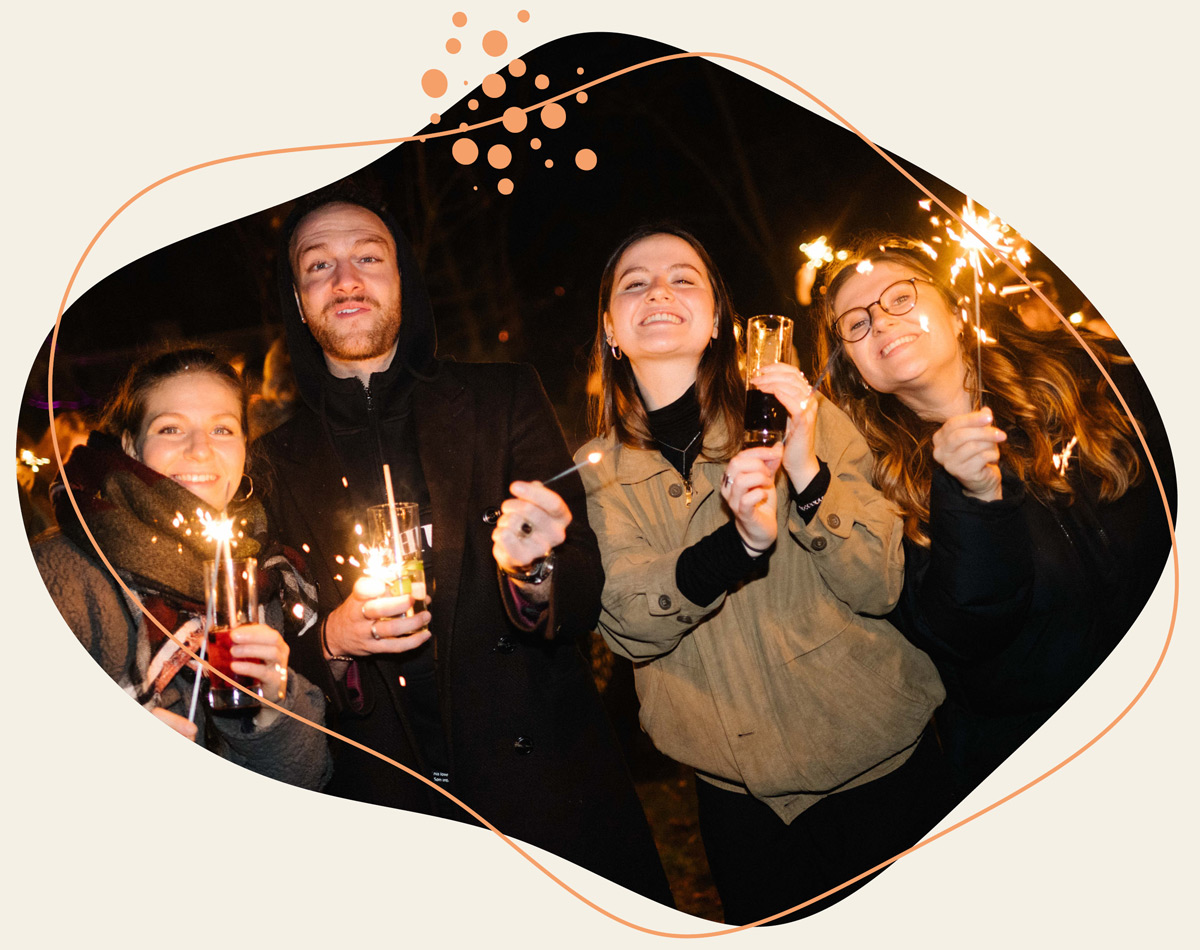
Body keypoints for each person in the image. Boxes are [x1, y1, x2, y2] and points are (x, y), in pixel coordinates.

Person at [256, 184, 672, 905]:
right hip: (388, 811)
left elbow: (580, 596)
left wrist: (534, 568)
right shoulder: (270, 460)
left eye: (367, 257)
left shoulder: (502, 399)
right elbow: (271, 638)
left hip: (545, 796)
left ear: (403, 280)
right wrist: (330, 638)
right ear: (298, 299)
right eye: (318, 266)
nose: (346, 279)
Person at [576, 225, 949, 924]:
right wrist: (735, 548)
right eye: (635, 282)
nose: (659, 289)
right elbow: (627, 625)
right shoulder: (597, 472)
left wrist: (809, 477)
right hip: (741, 812)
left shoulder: (801, 415)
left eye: (684, 278)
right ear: (611, 330)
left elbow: (881, 581)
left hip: (889, 775)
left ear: (719, 319)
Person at [817, 239, 1176, 794]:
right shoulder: (869, 488)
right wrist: (972, 499)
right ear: (858, 370)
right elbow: (958, 633)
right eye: (856, 323)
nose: (882, 322)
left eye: (900, 298)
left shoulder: (1090, 379)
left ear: (958, 315)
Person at [33, 347, 331, 789]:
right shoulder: (59, 573)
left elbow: (309, 779)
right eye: (171, 428)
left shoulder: (260, 580)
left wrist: (270, 711)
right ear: (132, 445)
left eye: (222, 429)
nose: (199, 449)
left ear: (245, 449)